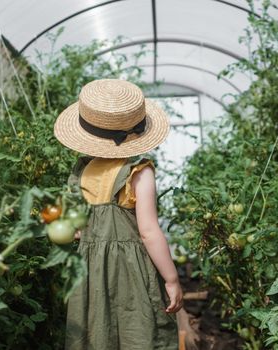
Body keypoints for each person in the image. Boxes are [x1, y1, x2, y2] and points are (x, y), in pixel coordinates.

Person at [53, 79, 182, 349]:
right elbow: (148, 232)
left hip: (89, 272)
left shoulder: (80, 172)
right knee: (139, 329)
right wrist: (171, 279)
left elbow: (74, 230)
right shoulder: (139, 172)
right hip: (132, 270)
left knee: (95, 332)